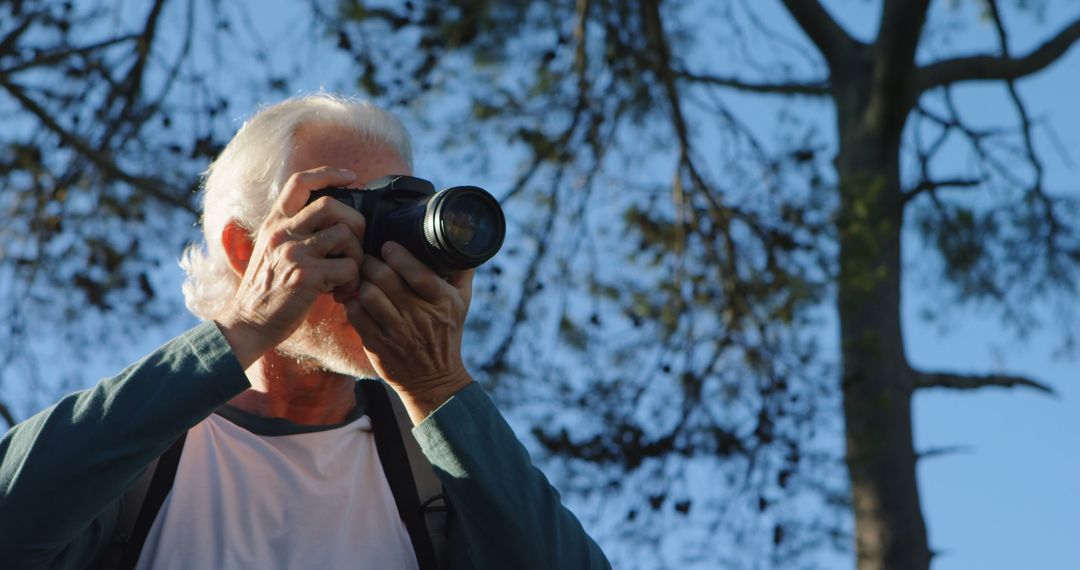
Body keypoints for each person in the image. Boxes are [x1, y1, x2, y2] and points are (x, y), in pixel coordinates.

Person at [0, 93, 611, 569]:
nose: (376, 252)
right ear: (245, 248)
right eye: (340, 211)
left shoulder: (435, 472)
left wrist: (441, 388)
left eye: (396, 219)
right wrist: (242, 327)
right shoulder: (142, 451)